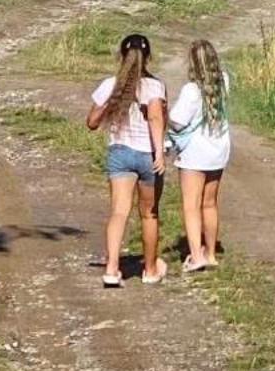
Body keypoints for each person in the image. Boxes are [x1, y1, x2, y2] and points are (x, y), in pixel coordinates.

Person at [87, 33, 167, 289]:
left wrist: (111, 101)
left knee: (119, 213)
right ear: (148, 57)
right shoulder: (155, 87)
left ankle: (111, 269)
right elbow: (155, 118)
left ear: (121, 55)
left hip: (120, 152)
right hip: (147, 155)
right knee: (149, 214)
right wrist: (160, 154)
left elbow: (92, 122)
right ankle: (151, 269)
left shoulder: (111, 84)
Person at [170, 40, 231, 274]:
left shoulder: (191, 90)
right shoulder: (224, 81)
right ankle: (211, 253)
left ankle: (196, 256)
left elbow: (177, 121)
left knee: (191, 205)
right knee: (210, 203)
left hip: (195, 153)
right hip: (218, 150)